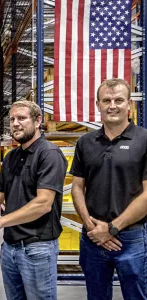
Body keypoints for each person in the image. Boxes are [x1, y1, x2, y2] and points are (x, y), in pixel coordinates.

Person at [0, 100, 67, 300]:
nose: (15, 124)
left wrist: (0, 222)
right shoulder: (12, 157)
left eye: (21, 118)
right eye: (12, 119)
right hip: (10, 247)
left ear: (38, 121)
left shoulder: (49, 154)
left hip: (37, 248)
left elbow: (43, 204)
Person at [70, 78, 147, 300]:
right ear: (97, 104)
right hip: (92, 238)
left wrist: (112, 228)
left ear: (129, 104)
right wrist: (90, 226)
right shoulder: (85, 143)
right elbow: (77, 188)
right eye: (106, 100)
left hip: (131, 238)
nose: (112, 105)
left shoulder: (144, 139)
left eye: (119, 100)